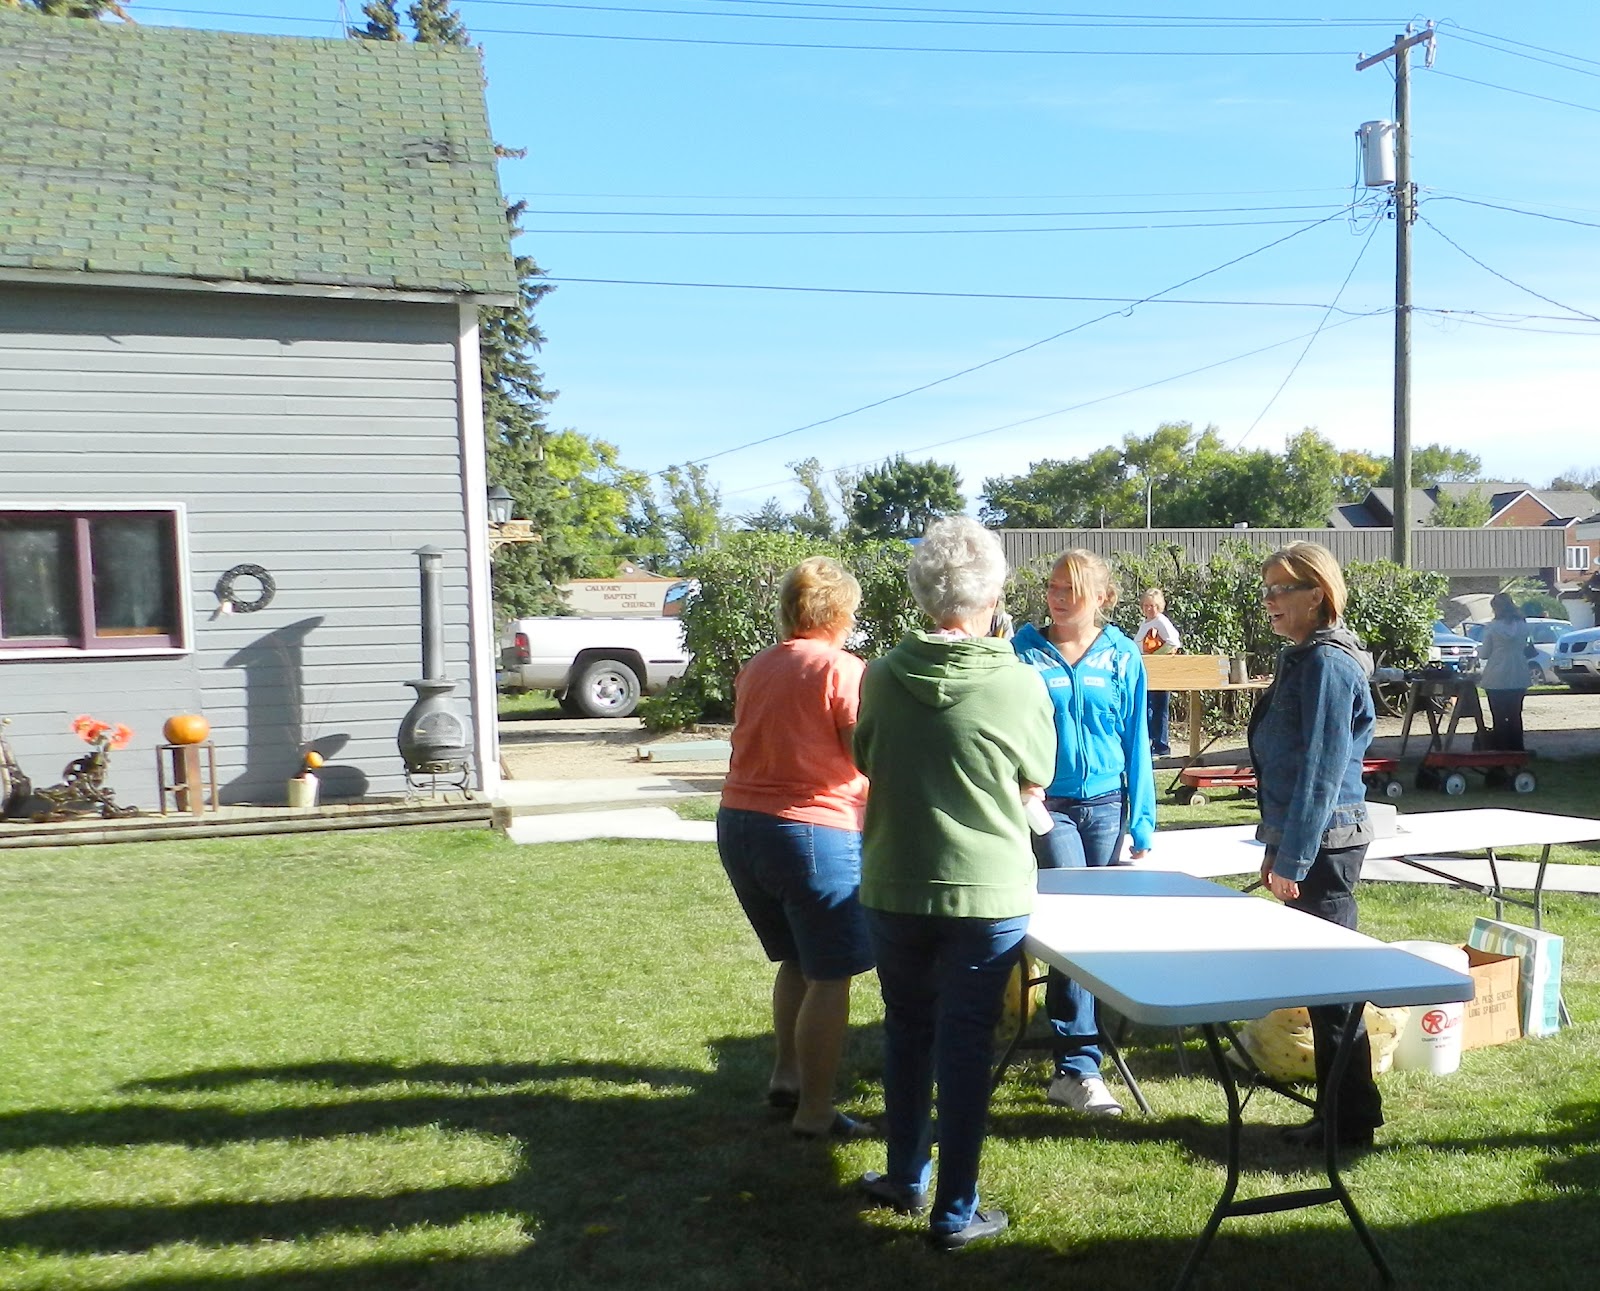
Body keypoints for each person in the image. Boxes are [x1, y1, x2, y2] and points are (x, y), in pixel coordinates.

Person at [852, 517, 1056, 1251]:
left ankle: (906, 1174)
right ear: (995, 591)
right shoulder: (1018, 679)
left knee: (906, 1028)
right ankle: (953, 1207)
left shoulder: (878, 673)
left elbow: (867, 755)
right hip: (987, 892)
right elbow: (1040, 774)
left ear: (918, 592)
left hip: (895, 880)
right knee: (965, 1045)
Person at [716, 556, 875, 1141]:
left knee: (797, 961)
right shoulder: (842, 669)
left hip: (739, 826)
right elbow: (866, 756)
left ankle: (786, 1076)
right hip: (811, 832)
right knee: (832, 976)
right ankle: (814, 1111)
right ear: (839, 612)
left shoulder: (757, 666)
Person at [1011, 550, 1156, 1117]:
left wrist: (1142, 815)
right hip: (1048, 804)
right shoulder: (1022, 652)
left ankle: (1079, 1048)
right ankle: (1078, 1068)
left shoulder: (1122, 654)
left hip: (1107, 803)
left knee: (1095, 924)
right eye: (1052, 585)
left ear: (1102, 596)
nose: (1057, 595)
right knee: (1072, 919)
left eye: (1071, 587)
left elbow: (1136, 737)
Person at [1247, 541, 1382, 1149]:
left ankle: (1348, 1123)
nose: (1269, 599)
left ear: (1317, 595)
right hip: (1310, 841)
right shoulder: (1299, 657)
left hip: (1327, 845)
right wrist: (1275, 848)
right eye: (1267, 587)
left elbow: (1322, 774)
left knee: (1334, 987)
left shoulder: (1328, 663)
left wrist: (1294, 857)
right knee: (1324, 986)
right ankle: (1342, 1115)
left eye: (1281, 588)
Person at [1477, 592, 1532, 752]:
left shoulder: (1492, 627)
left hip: (1496, 675)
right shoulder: (1523, 625)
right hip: (1518, 673)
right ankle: (1517, 748)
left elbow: (1485, 653)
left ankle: (1501, 749)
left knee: (1499, 716)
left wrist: (1478, 650)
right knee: (1515, 715)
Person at [1135, 587, 1182, 757]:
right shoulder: (1146, 623)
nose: (1149, 609)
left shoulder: (1161, 621)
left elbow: (1173, 644)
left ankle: (1161, 746)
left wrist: (1155, 656)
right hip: (1147, 671)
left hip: (1159, 671)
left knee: (1158, 708)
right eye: (1146, 605)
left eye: (1153, 605)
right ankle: (1151, 743)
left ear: (1159, 606)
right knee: (1147, 708)